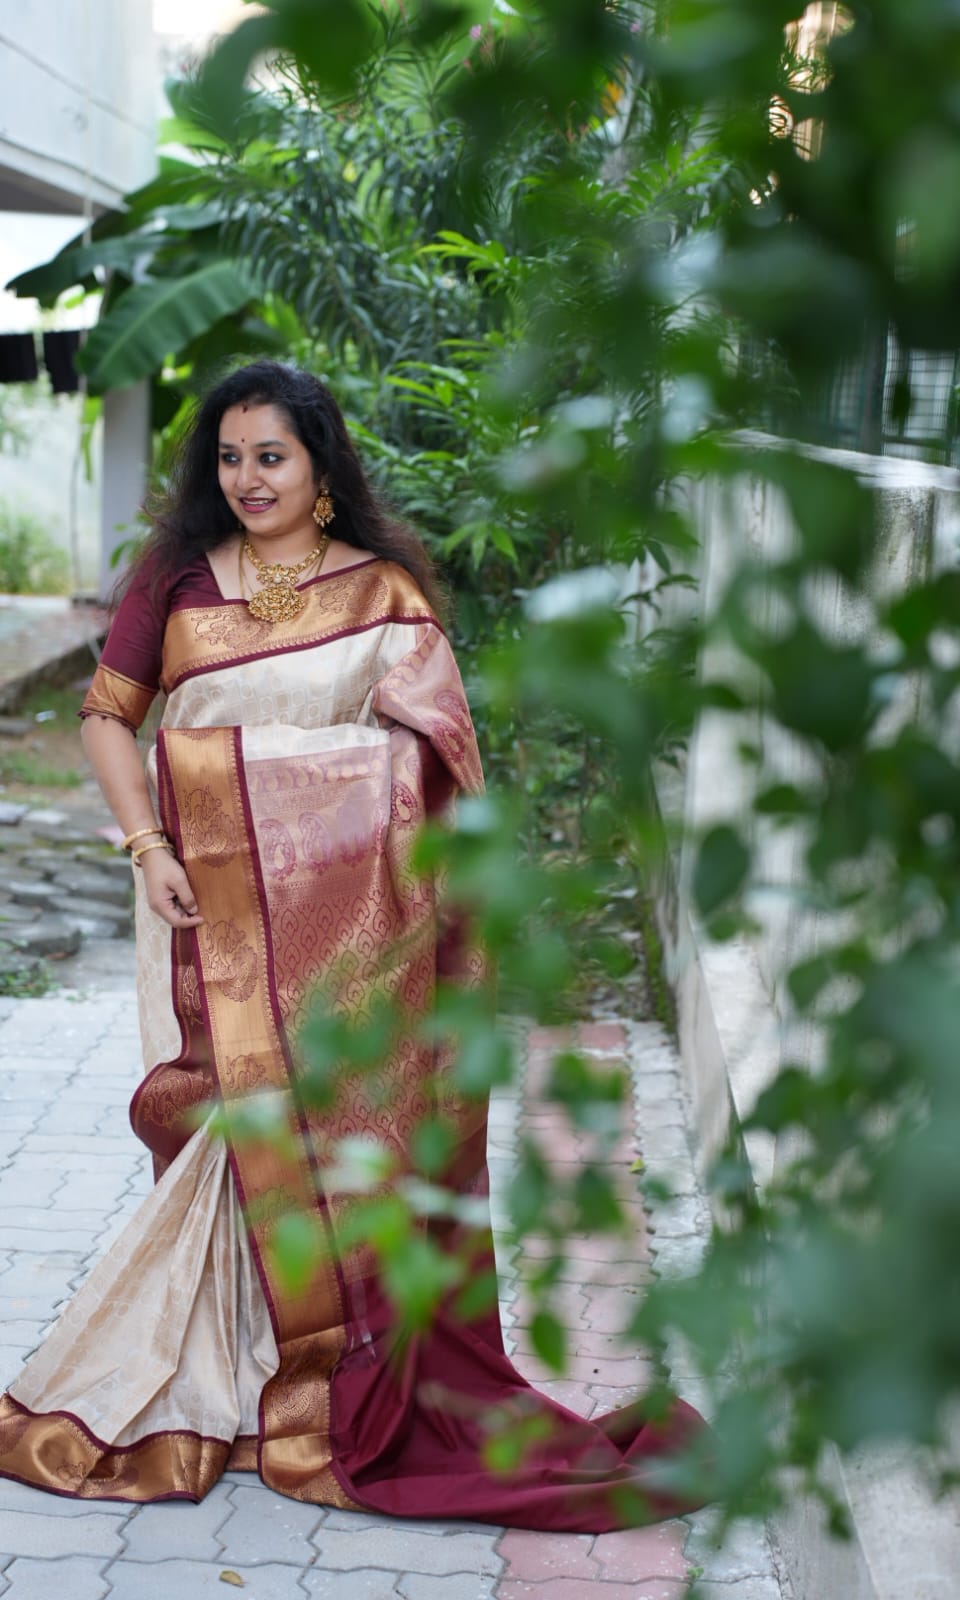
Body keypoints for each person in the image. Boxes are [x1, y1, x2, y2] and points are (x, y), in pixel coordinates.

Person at [0, 361, 709, 1526]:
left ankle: (322, 1378)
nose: (248, 479)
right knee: (227, 1125)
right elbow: (107, 716)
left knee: (332, 1144)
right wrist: (151, 843)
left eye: (271, 456)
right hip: (209, 918)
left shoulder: (382, 594)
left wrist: (273, 791)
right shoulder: (177, 578)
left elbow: (433, 764)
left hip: (351, 936)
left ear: (320, 465)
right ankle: (232, 1370)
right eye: (230, 457)